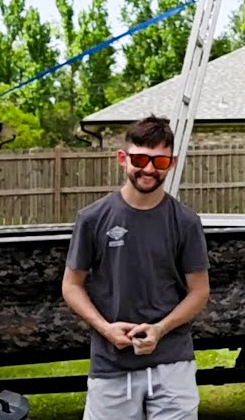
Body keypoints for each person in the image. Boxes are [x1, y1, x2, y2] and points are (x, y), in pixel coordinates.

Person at [63, 115, 210, 419]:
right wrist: (105, 329)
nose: (148, 169)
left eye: (160, 161)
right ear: (122, 158)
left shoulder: (185, 222)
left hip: (173, 363)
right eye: (140, 158)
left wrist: (159, 329)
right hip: (111, 364)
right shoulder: (93, 219)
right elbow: (71, 285)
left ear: (172, 162)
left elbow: (199, 292)